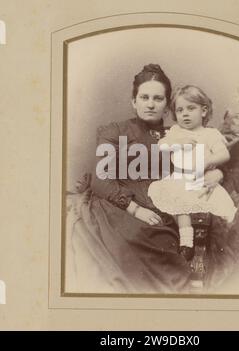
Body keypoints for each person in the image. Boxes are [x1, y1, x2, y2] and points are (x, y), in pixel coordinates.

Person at [68, 64, 224, 294]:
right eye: (144, 97)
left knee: (162, 240)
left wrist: (215, 173)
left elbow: (203, 165)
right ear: (134, 101)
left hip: (163, 211)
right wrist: (134, 209)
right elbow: (101, 179)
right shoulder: (114, 131)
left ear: (167, 105)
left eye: (158, 98)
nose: (151, 104)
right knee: (131, 237)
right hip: (118, 205)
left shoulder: (177, 135)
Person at [148, 85, 237, 261]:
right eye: (180, 110)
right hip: (179, 178)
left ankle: (214, 247)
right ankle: (186, 244)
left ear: (203, 111)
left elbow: (224, 154)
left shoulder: (210, 134)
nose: (185, 114)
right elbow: (161, 146)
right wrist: (178, 143)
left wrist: (208, 161)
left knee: (218, 209)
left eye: (191, 108)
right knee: (180, 206)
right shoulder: (176, 132)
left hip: (200, 179)